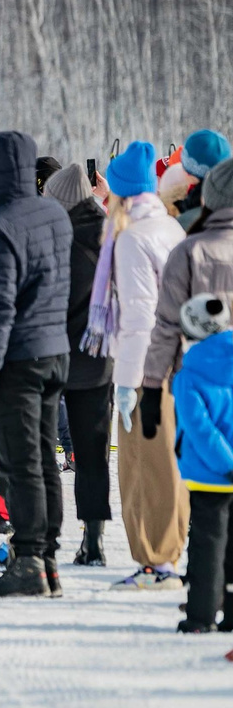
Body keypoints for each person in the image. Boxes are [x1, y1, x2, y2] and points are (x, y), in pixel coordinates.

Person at [0, 130, 74, 599]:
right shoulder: (53, 212)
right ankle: (46, 555)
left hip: (17, 359)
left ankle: (29, 558)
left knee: (21, 463)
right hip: (56, 352)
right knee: (44, 461)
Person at [139, 157, 233, 627]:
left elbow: (165, 328)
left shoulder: (190, 251)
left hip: (199, 386)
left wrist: (152, 389)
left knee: (209, 513)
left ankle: (202, 605)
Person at [91, 141, 187, 589]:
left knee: (141, 466)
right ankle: (170, 550)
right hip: (180, 364)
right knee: (172, 464)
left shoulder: (130, 238)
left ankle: (154, 560)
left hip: (147, 369)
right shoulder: (169, 229)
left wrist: (127, 383)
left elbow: (138, 318)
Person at [43, 160, 114, 565]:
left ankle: (44, 538)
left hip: (52, 357)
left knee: (41, 451)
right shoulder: (108, 232)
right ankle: (94, 539)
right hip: (98, 360)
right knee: (91, 455)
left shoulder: (54, 241)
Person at [166, 293, 232, 637]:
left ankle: (202, 615)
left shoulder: (189, 375)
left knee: (207, 546)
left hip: (211, 477)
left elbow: (200, 427)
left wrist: (226, 464)